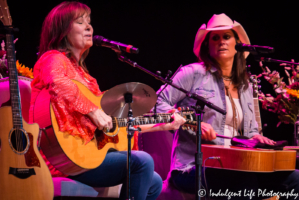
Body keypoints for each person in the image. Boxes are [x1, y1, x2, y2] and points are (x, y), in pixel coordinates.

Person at [28, 2, 186, 200]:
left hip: (86, 158)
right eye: (80, 22)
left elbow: (116, 126)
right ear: (61, 30)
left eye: (89, 22)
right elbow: (58, 83)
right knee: (142, 162)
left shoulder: (86, 78)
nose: (89, 27)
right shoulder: (53, 59)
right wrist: (93, 110)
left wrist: (163, 124)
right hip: (64, 160)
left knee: (153, 181)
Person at [155, 13, 299, 199]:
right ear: (207, 44)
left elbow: (250, 130)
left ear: (237, 43)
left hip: (238, 165)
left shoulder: (246, 84)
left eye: (226, 37)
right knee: (243, 181)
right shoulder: (192, 73)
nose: (221, 41)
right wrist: (192, 124)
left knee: (294, 179)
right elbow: (157, 103)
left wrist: (256, 138)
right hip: (193, 168)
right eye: (215, 37)